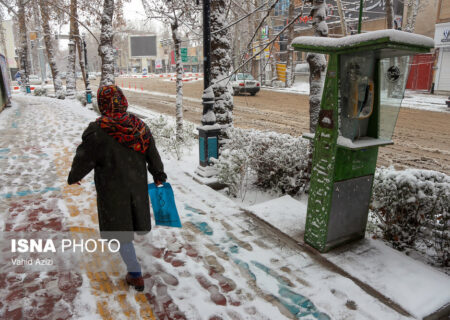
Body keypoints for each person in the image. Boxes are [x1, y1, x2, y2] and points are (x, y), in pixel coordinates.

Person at [68, 85, 167, 291]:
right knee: (131, 219)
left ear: (102, 103)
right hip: (136, 186)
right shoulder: (139, 126)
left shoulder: (97, 130)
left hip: (112, 190)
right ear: (122, 100)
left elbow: (84, 157)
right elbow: (152, 153)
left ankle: (135, 274)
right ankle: (133, 258)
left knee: (120, 230)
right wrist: (158, 174)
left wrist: (75, 176)